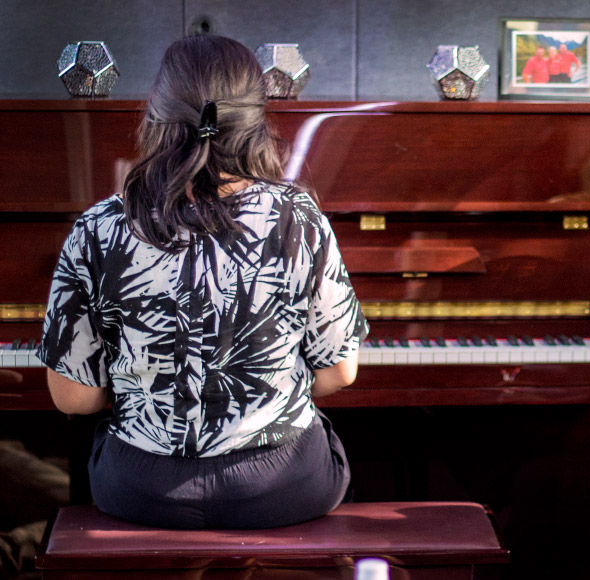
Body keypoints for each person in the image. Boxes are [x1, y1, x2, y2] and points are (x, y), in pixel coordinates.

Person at [36, 34, 369, 530]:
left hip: (141, 490)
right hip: (281, 487)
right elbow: (339, 374)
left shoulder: (98, 226)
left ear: (157, 117)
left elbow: (73, 398)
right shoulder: (300, 218)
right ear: (256, 121)